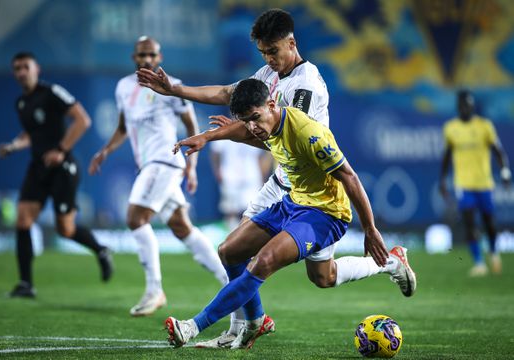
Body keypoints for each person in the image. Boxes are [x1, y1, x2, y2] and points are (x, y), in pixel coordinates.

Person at [164, 79, 417, 349]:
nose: (252, 127)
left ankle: (193, 326)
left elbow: (350, 177)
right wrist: (207, 136)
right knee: (235, 253)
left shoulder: (309, 133)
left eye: (255, 118)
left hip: (325, 212)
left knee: (263, 261)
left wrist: (370, 229)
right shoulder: (266, 124)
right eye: (246, 121)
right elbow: (249, 130)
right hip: (294, 203)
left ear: (272, 105)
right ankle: (256, 321)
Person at [137, 8, 330, 348]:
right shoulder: (269, 74)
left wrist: (218, 136)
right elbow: (228, 93)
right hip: (280, 183)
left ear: (292, 43)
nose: (269, 59)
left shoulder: (307, 86)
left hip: (314, 193)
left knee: (323, 276)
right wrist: (176, 89)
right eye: (263, 53)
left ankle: (388, 262)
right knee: (232, 252)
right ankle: (246, 325)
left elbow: (275, 134)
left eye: (273, 51)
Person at [88, 36, 228, 316]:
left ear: (159, 57)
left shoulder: (170, 86)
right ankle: (230, 279)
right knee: (181, 226)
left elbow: (191, 125)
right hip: (151, 164)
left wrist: (191, 165)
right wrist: (105, 151)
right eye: (142, 55)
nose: (147, 59)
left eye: (151, 55)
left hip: (166, 160)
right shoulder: (123, 88)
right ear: (134, 58)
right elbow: (123, 127)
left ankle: (154, 290)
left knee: (135, 218)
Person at [0, 52, 113, 298]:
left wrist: (61, 149)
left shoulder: (51, 92)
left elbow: (82, 119)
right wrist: (13, 146)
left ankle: (101, 249)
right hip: (38, 168)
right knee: (22, 221)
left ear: (36, 68)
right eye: (16, 68)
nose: (21, 72)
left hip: (63, 168)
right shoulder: (21, 103)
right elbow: (31, 134)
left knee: (66, 229)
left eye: (25, 67)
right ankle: (26, 284)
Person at [439, 90, 511, 277]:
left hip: (484, 183)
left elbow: (498, 151)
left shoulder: (485, 126)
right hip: (463, 184)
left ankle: (494, 253)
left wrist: (504, 171)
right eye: (462, 105)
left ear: (473, 106)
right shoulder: (451, 128)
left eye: (468, 105)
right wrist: (443, 180)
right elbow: (447, 156)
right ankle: (479, 263)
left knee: (489, 223)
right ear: (458, 107)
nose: (465, 108)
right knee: (470, 223)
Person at [210, 140, 271, 230]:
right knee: (231, 212)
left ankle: (248, 238)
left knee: (253, 211)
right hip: (230, 176)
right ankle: (231, 239)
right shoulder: (224, 129)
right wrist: (217, 170)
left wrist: (262, 174)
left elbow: (263, 155)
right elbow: (215, 152)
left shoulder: (254, 129)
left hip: (251, 177)